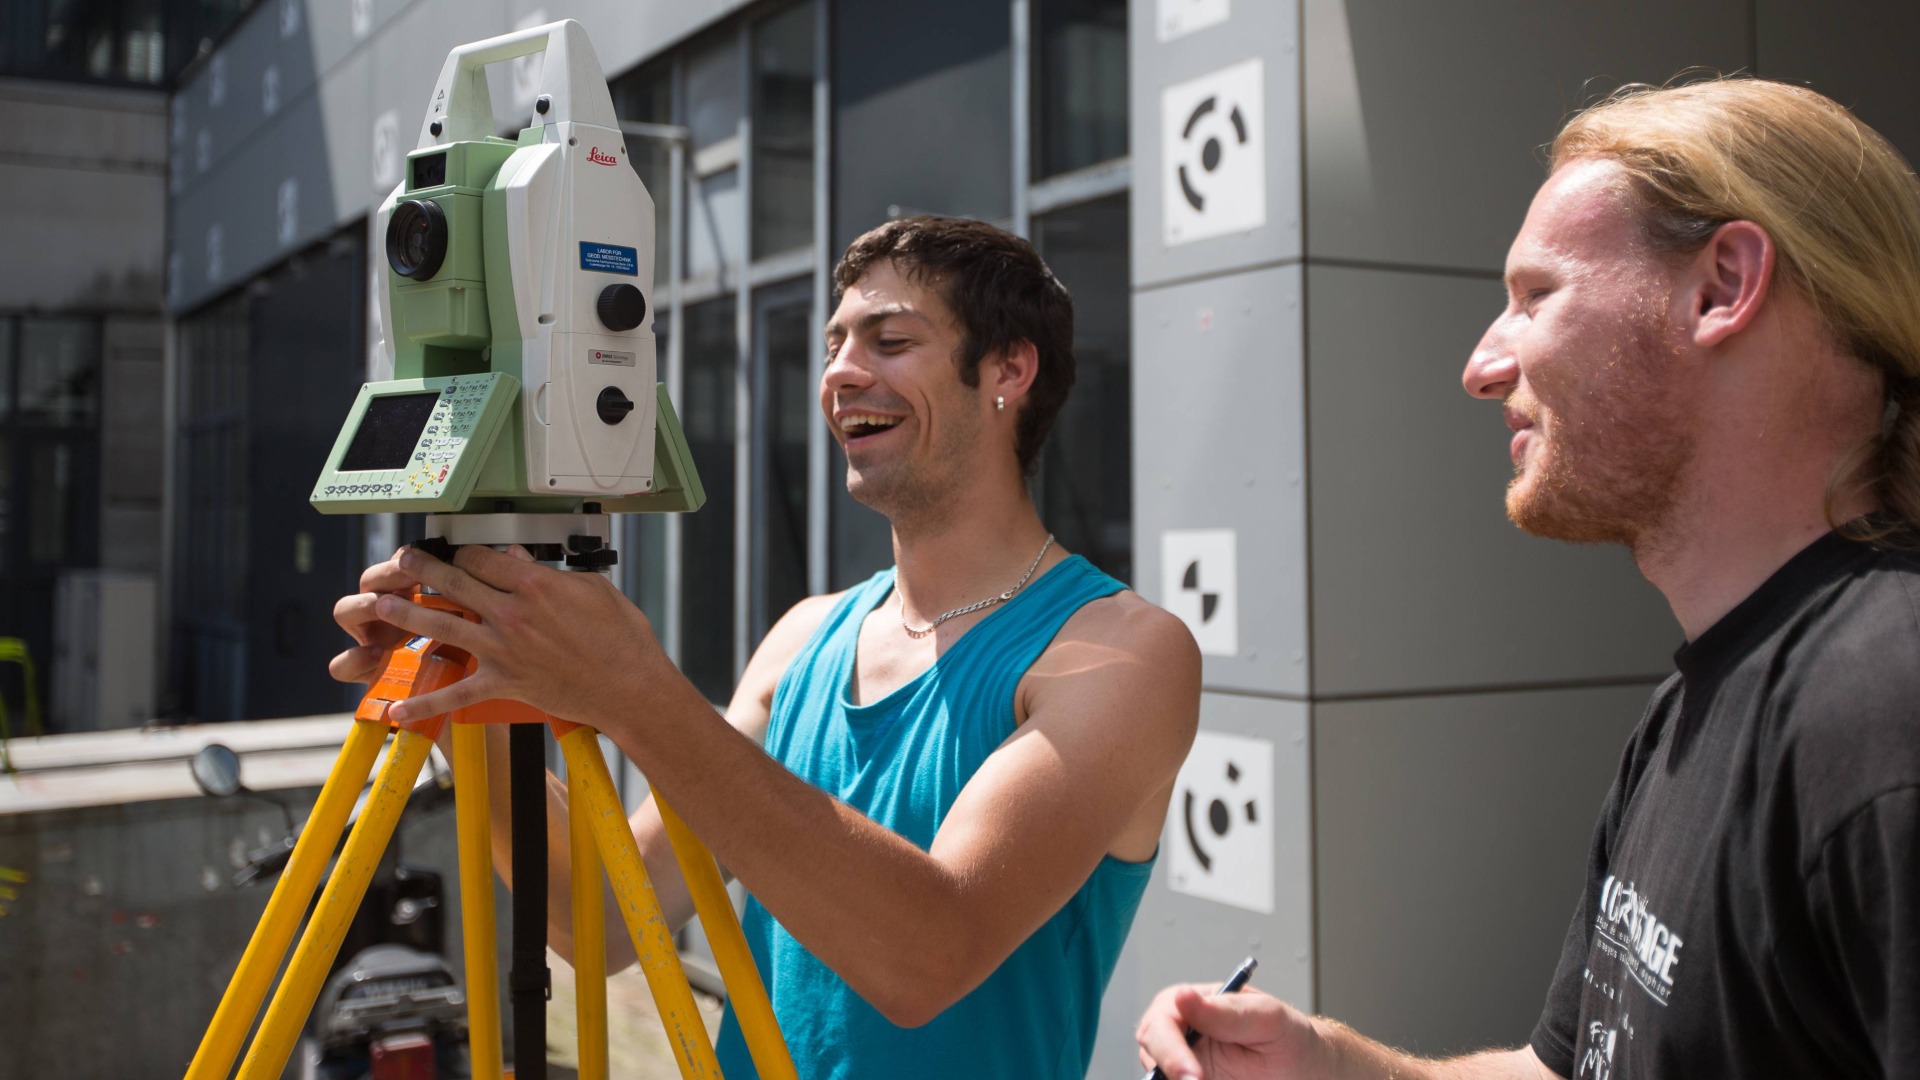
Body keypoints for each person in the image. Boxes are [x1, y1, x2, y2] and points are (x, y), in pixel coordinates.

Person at [1137, 77, 1920, 1080]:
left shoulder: (1885, 708)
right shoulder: (1696, 703)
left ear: (1722, 286)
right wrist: (1321, 1064)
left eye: (1535, 295)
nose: (1481, 364)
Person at [333, 216, 1202, 1078]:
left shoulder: (1123, 653)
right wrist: (461, 696)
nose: (841, 375)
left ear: (1009, 369)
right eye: (834, 345)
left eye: (891, 340)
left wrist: (633, 690)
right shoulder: (803, 640)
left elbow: (928, 956)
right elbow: (600, 916)